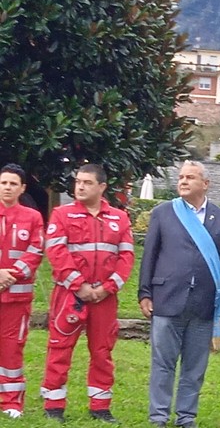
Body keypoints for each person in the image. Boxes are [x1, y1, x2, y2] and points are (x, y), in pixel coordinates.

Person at [138, 160, 220, 428]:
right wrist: (145, 292)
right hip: (167, 298)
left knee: (194, 368)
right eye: (181, 177)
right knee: (163, 364)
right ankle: (158, 417)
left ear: (205, 184)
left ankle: (186, 417)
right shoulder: (164, 212)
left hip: (204, 304)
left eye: (190, 177)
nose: (183, 181)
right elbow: (150, 255)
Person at [41, 164, 134, 424]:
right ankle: (54, 405)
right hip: (69, 295)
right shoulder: (61, 214)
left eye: (87, 182)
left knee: (102, 352)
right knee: (59, 348)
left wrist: (108, 288)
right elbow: (57, 253)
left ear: (102, 187)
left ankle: (100, 406)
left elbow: (126, 257)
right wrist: (79, 285)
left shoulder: (120, 218)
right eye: (78, 181)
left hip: (105, 297)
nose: (80, 187)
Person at [0, 164, 44, 419]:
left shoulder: (32, 217)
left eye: (13, 184)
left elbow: (36, 250)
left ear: (22, 188)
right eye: (4, 183)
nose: (7, 187)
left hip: (17, 297)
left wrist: (9, 275)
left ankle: (12, 402)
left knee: (11, 348)